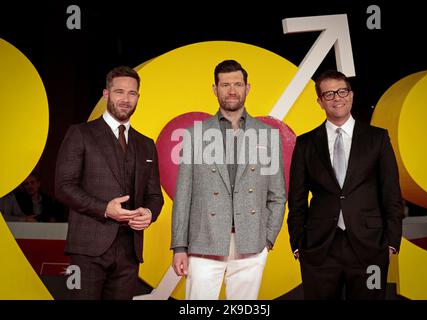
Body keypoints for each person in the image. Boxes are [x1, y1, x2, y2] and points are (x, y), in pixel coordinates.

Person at [171, 60, 286, 300]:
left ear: (247, 88)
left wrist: (267, 239)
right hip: (204, 243)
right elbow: (183, 196)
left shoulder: (267, 135)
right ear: (215, 89)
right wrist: (180, 247)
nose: (232, 90)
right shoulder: (195, 134)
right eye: (225, 85)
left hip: (252, 243)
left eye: (237, 84)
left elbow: (277, 194)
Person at [287, 70, 404, 300]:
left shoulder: (377, 138)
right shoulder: (305, 143)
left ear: (351, 95)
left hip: (371, 247)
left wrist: (391, 243)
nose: (337, 98)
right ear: (320, 102)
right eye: (328, 94)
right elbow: (297, 199)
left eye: (342, 91)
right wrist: (298, 244)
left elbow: (391, 192)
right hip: (319, 249)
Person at [55, 66, 164, 300]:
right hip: (87, 249)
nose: (125, 99)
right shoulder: (81, 133)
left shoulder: (146, 144)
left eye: (132, 93)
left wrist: (148, 212)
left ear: (138, 97)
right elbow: (64, 186)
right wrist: (105, 209)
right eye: (119, 92)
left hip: (129, 252)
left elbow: (155, 196)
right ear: (106, 94)